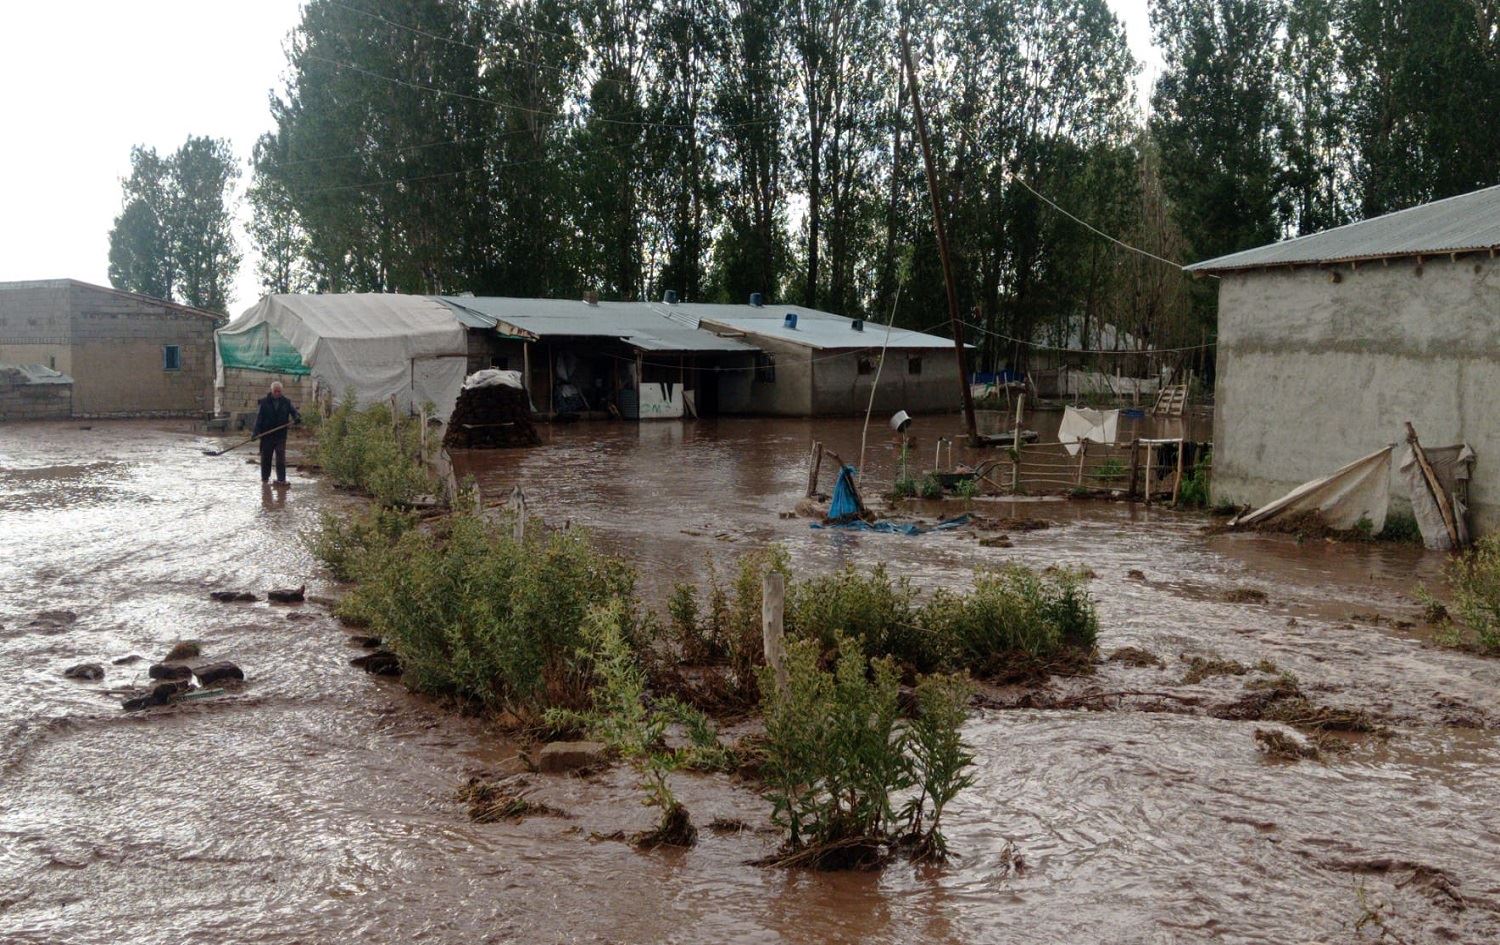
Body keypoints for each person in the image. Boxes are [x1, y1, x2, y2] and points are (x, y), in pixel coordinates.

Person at [252, 381, 301, 485]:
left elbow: (294, 413)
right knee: (266, 458)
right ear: (272, 391)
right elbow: (259, 419)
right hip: (267, 435)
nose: (277, 393)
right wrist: (255, 433)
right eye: (275, 391)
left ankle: (281, 479)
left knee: (280, 458)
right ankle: (265, 479)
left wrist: (296, 418)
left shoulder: (286, 402)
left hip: (280, 435)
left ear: (281, 391)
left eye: (279, 391)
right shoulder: (264, 402)